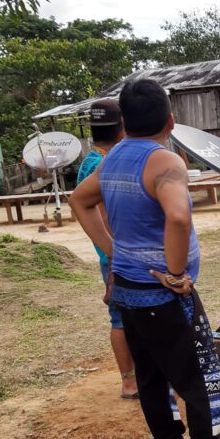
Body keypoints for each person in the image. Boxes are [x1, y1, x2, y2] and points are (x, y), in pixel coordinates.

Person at [70, 78, 220, 439]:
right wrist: (175, 272)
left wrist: (113, 250)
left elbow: (79, 201)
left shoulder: (113, 157)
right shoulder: (164, 162)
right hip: (163, 295)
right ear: (171, 121)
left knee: (152, 376)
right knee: (200, 376)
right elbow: (177, 216)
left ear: (125, 123)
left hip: (127, 289)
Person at [75, 98, 137, 399]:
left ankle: (135, 376)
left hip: (113, 253)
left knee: (126, 317)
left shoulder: (91, 160)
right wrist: (114, 254)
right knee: (121, 318)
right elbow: (105, 215)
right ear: (122, 127)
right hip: (116, 255)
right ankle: (129, 381)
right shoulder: (103, 165)